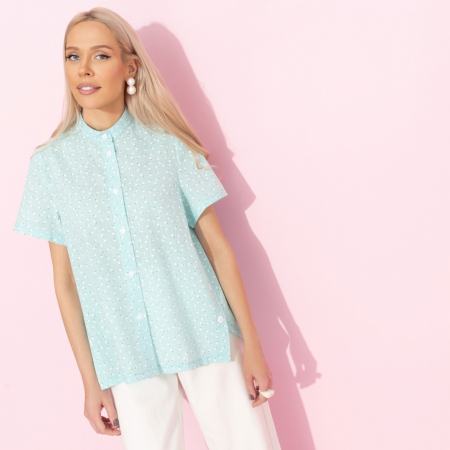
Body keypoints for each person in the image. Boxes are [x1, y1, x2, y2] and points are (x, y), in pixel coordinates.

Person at [13, 7, 281, 450]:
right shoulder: (50, 167)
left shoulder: (169, 146)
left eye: (100, 55)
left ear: (129, 66)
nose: (83, 69)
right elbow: (66, 282)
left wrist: (252, 344)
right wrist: (91, 381)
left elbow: (218, 248)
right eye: (72, 56)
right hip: (124, 348)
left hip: (204, 329)